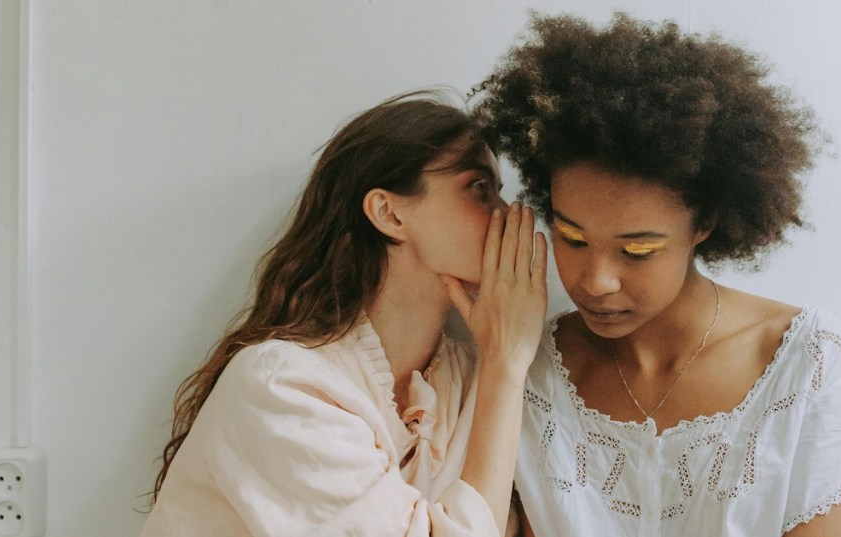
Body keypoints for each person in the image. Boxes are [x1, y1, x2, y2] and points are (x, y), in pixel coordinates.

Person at [473, 13, 841, 537]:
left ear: (704, 224)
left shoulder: (808, 367)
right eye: (573, 239)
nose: (595, 280)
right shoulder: (529, 371)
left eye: (638, 250)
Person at [140, 91, 548, 536]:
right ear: (389, 213)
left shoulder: (468, 377)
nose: (509, 217)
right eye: (479, 189)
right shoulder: (282, 387)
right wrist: (506, 366)